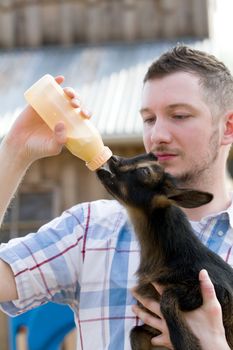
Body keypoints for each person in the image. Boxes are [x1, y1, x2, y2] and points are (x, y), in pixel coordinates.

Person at [0, 45, 232, 350]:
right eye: (149, 119)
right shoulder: (89, 231)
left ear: (228, 127)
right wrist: (15, 149)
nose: (158, 134)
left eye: (179, 115)